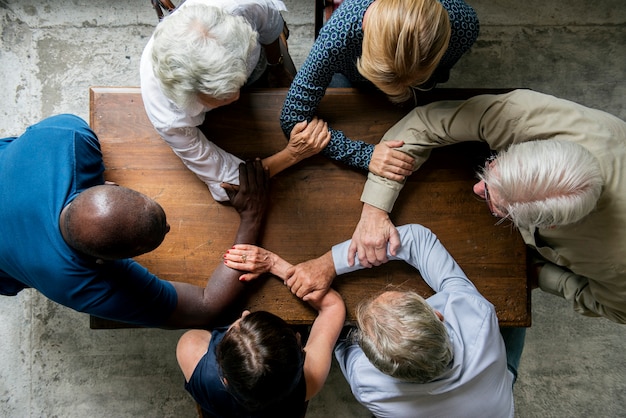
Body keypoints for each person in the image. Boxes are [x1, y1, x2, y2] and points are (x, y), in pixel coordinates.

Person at [347, 89, 626, 323]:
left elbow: (614, 309)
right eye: (491, 168)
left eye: (494, 203)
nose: (477, 188)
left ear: (548, 225)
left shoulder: (613, 264)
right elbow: (429, 122)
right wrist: (374, 208)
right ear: (526, 145)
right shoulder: (527, 118)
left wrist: (544, 276)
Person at [0, 114, 271, 328]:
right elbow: (206, 307)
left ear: (112, 185)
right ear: (106, 263)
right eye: (148, 245)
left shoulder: (71, 136)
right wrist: (252, 216)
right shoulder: (73, 283)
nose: (169, 228)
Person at [283, 224, 520, 417]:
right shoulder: (477, 316)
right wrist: (330, 263)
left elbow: (340, 340)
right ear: (438, 316)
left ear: (377, 365)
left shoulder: (367, 384)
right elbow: (419, 239)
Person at [141, 0, 330, 202]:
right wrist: (292, 154)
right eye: (219, 96)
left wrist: (276, 65)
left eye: (235, 86)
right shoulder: (168, 116)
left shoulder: (244, 6)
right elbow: (228, 184)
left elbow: (271, 25)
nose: (236, 97)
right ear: (188, 97)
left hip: (261, 62)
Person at [279, 0, 479, 180]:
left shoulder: (464, 25)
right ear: (365, 30)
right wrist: (365, 155)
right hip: (352, 80)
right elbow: (293, 117)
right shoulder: (338, 35)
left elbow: (442, 71)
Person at [176, 244, 345, 417]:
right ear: (297, 340)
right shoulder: (311, 379)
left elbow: (199, 331)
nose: (245, 313)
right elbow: (333, 306)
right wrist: (274, 264)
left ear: (225, 380)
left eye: (235, 327)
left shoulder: (190, 351)